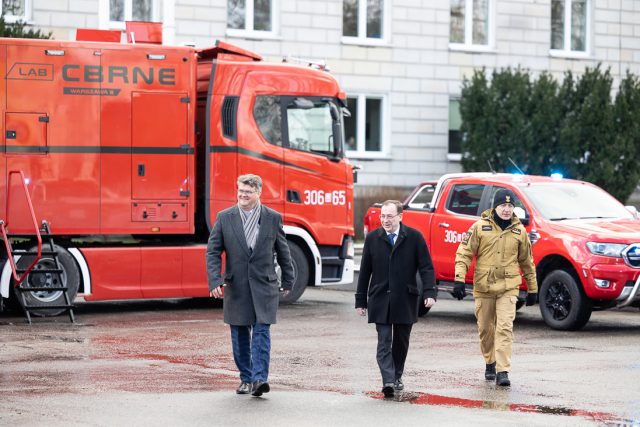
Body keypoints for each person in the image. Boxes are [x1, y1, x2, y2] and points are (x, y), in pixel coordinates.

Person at [206, 174, 294, 397]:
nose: (243, 195)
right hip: (236, 286)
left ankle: (259, 379)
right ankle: (245, 377)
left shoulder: (272, 218)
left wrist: (288, 279)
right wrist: (215, 279)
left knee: (262, 332)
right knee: (240, 335)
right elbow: (213, 251)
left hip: (265, 285)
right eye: (241, 191)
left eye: (248, 192)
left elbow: (283, 251)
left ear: (258, 193)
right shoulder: (225, 218)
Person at [453, 188, 537, 387]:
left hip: (509, 286)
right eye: (503, 205)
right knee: (485, 329)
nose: (507, 210)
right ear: (495, 207)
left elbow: (527, 261)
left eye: (510, 206)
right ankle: (489, 361)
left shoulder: (519, 231)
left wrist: (532, 288)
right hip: (484, 286)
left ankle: (503, 370)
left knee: (505, 328)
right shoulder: (479, 227)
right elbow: (464, 253)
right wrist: (459, 279)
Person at [355, 200, 436, 397]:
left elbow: (426, 267)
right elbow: (365, 271)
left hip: (405, 298)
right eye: (382, 216)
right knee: (384, 341)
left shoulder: (415, 237)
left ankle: (397, 374)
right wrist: (360, 300)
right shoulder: (373, 238)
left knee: (401, 341)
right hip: (380, 298)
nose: (385, 220)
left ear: (400, 216)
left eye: (389, 216)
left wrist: (430, 293)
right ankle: (388, 380)